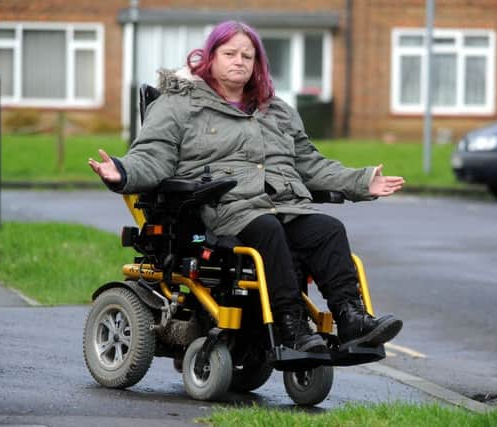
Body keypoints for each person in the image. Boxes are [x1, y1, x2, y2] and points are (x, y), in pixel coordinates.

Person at [89, 20, 404, 354]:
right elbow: (153, 155)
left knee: (327, 230)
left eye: (247, 56)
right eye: (230, 53)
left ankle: (352, 318)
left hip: (281, 205)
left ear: (258, 64)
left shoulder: (277, 111)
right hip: (219, 209)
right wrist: (121, 171)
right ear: (210, 57)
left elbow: (310, 164)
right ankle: (291, 326)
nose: (239, 61)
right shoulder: (179, 104)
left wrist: (361, 180)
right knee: (268, 232)